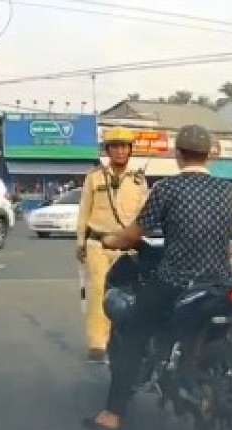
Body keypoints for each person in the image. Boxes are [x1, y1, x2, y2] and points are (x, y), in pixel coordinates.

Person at [84, 124, 232, 430]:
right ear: (208, 155)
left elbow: (135, 233)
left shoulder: (167, 188)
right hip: (220, 281)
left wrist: (113, 241)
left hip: (176, 279)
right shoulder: (228, 189)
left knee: (133, 333)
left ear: (178, 154)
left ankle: (112, 414)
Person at [75, 126, 148, 363]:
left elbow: (144, 214)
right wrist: (80, 242)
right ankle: (98, 343)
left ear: (130, 151)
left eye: (124, 147)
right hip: (98, 243)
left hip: (126, 246)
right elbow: (83, 211)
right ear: (107, 150)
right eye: (114, 146)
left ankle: (125, 339)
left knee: (128, 293)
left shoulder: (138, 180)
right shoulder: (94, 177)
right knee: (99, 292)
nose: (119, 151)